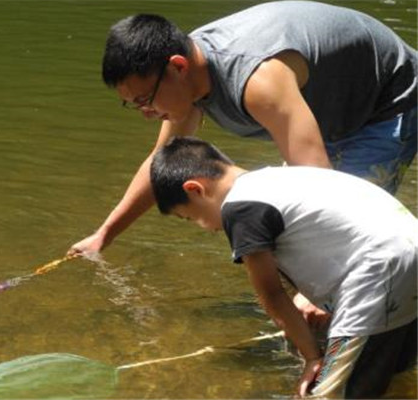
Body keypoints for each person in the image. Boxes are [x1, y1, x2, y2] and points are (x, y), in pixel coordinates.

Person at [68, 0, 417, 326]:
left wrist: (318, 289)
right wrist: (104, 236)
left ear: (177, 67)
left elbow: (319, 192)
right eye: (134, 104)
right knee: (283, 234)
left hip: (385, 102)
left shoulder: (258, 82)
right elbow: (162, 165)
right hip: (324, 108)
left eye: (146, 100)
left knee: (352, 244)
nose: (146, 114)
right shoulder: (186, 78)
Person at [149, 136, 417, 398]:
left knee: (328, 392)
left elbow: (272, 296)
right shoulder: (278, 178)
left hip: (377, 271)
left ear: (195, 189)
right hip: (408, 247)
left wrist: (312, 357)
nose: (204, 227)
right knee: (389, 371)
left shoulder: (239, 208)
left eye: (190, 217)